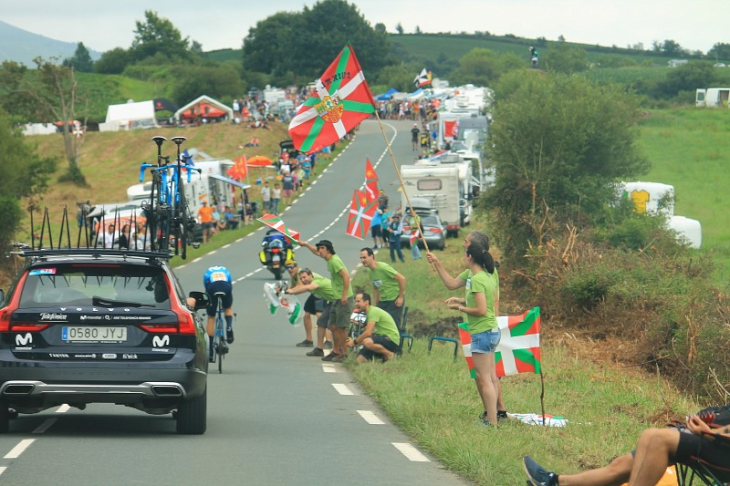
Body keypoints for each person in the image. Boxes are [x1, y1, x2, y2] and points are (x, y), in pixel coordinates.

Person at [523, 407, 730, 486]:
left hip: (722, 452)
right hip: (714, 441)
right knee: (643, 444)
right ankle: (554, 482)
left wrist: (709, 433)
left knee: (657, 439)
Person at [426, 231, 504, 427]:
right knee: (488, 377)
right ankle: (493, 414)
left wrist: (460, 307)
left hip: (484, 329)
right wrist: (437, 263)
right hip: (488, 329)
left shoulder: (482, 276)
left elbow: (485, 306)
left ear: (472, 253)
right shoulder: (478, 273)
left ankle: (493, 419)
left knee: (485, 378)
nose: (462, 246)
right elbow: (452, 284)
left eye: (466, 243)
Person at [300, 239, 354, 363]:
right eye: (319, 248)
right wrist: (306, 244)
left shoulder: (334, 261)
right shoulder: (328, 259)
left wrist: (345, 294)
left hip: (343, 298)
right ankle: (336, 351)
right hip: (336, 298)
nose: (319, 251)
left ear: (328, 249)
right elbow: (315, 252)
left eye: (322, 248)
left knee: (341, 327)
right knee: (333, 326)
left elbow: (346, 276)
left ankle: (344, 353)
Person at [285, 267, 336, 357]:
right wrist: (287, 291)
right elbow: (299, 290)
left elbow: (309, 287)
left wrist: (291, 291)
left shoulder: (316, 281)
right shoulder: (304, 282)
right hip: (331, 301)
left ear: (311, 275)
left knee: (334, 325)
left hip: (339, 300)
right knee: (321, 322)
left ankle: (336, 348)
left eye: (305, 277)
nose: (303, 280)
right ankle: (319, 349)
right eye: (301, 279)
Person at [346, 292, 401, 362]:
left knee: (367, 342)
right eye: (355, 301)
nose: (356, 304)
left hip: (390, 339)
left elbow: (368, 333)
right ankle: (381, 358)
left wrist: (354, 342)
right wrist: (356, 343)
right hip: (379, 339)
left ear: (366, 302)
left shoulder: (373, 311)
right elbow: (367, 333)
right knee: (359, 360)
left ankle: (390, 355)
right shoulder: (368, 313)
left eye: (358, 301)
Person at [359, 248, 406, 328]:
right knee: (378, 323)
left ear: (371, 256)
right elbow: (376, 288)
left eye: (364, 257)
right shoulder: (370, 270)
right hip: (383, 301)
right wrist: (374, 305)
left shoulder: (383, 267)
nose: (363, 260)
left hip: (394, 300)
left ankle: (395, 340)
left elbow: (402, 278)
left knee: (392, 325)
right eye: (361, 258)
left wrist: (401, 297)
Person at [285, 260, 326, 349]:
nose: (289, 270)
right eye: (287, 268)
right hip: (314, 293)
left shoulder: (301, 274)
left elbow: (300, 288)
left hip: (321, 292)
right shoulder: (294, 276)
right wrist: (283, 291)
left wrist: (289, 292)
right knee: (306, 314)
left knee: (320, 316)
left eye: (291, 267)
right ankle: (309, 340)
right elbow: (292, 288)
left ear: (296, 267)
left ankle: (329, 341)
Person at [203, 265, 234, 361]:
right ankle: (229, 327)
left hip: (212, 288)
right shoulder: (226, 270)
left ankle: (210, 351)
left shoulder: (207, 272)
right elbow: (230, 283)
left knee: (211, 317)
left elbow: (206, 286)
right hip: (226, 287)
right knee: (228, 308)